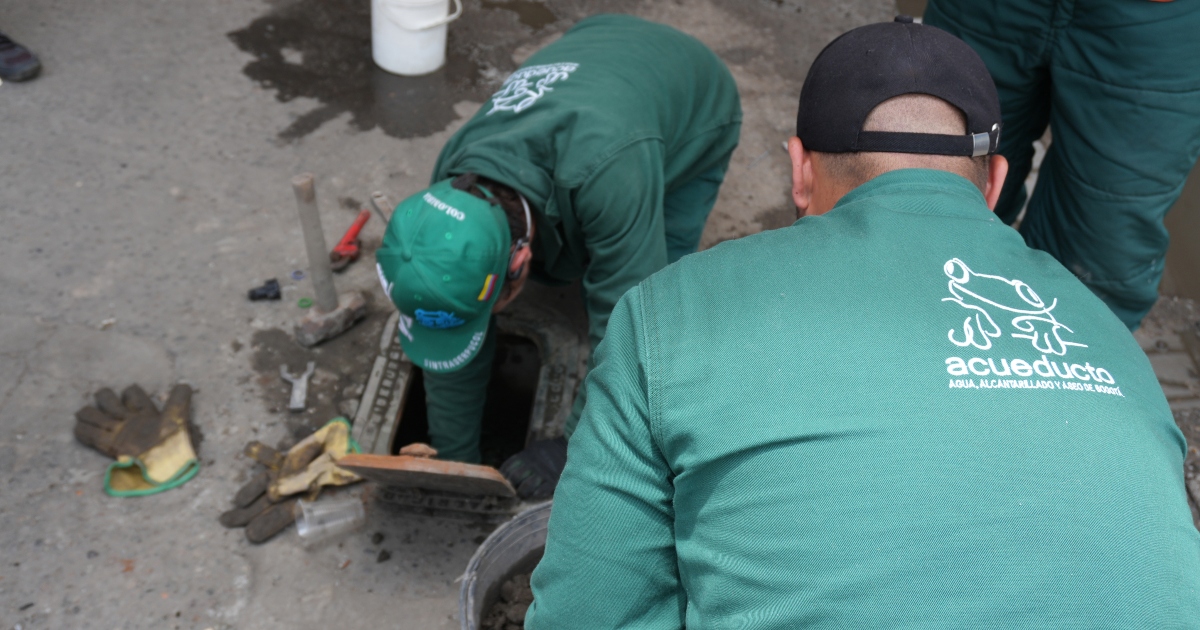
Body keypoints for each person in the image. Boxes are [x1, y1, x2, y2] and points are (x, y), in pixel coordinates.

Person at [526, 18, 1200, 628]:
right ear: (993, 183)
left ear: (798, 170)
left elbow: (587, 613)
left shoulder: (669, 314)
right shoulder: (1105, 334)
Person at [374, 14, 741, 498]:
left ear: (519, 262)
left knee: (659, 290)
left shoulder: (610, 173)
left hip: (695, 97)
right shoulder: (452, 177)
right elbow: (450, 336)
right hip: (593, 47)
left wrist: (572, 445)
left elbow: (633, 331)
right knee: (596, 250)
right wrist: (455, 460)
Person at [922, 1, 1200, 330]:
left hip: (1157, 22)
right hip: (988, 10)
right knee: (930, 212)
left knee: (1096, 267)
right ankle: (916, 360)